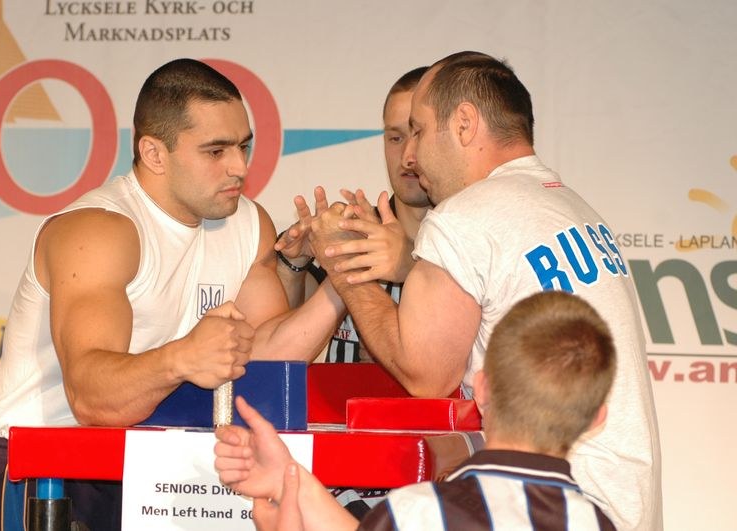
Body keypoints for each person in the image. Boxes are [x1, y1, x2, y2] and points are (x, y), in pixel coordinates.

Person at [0, 58, 345, 531]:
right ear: (154, 153)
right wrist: (183, 357)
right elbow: (92, 399)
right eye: (217, 151)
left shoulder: (247, 225)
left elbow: (270, 355)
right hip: (52, 464)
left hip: (153, 462)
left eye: (244, 146)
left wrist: (343, 281)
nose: (240, 167)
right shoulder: (100, 231)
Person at [309, 51, 662, 530]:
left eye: (419, 129)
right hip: (615, 504)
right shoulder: (569, 205)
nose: (411, 155)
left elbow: (424, 372)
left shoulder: (467, 215)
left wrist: (341, 262)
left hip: (550, 506)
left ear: (464, 123)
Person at [214, 291, 618, 531]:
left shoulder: (421, 512)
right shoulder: (596, 523)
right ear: (597, 417)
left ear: (481, 388)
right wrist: (292, 482)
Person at [275, 66, 431, 363]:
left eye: (419, 135)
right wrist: (293, 262)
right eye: (395, 138)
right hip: (336, 409)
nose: (408, 155)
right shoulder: (349, 233)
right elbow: (281, 349)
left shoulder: (473, 238)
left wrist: (409, 264)